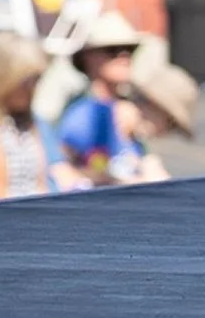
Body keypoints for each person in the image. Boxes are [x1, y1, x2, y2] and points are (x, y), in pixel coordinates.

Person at [0, 34, 62, 201]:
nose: (31, 88)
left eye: (36, 80)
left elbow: (41, 179)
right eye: (25, 81)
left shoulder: (29, 119)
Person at [56, 12, 147, 188]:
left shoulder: (129, 108)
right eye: (113, 51)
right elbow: (65, 169)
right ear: (88, 58)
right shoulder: (81, 113)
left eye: (129, 50)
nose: (124, 58)